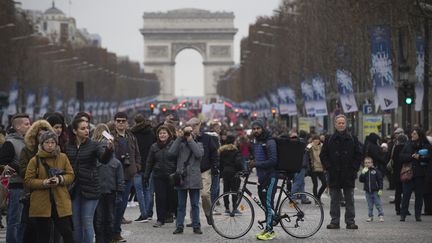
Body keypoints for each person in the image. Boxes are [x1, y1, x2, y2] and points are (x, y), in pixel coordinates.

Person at [65, 118, 113, 243]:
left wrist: (109, 149)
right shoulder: (68, 146)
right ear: (75, 131)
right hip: (73, 188)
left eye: (87, 128)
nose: (86, 130)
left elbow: (104, 159)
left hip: (91, 187)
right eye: (82, 128)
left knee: (87, 221)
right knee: (76, 222)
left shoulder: (93, 144)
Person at [24, 130, 75, 243]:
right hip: (41, 204)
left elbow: (71, 175)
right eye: (47, 142)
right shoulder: (34, 160)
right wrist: (44, 183)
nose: (50, 145)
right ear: (42, 144)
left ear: (56, 144)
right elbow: (28, 181)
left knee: (67, 233)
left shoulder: (63, 157)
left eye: (53, 142)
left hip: (60, 202)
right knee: (43, 236)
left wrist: (60, 179)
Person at [320, 114, 363, 230]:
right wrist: (329, 167)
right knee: (334, 199)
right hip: (334, 174)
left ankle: (350, 221)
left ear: (346, 124)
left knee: (349, 199)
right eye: (339, 123)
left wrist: (354, 168)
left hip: (348, 174)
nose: (341, 125)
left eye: (343, 123)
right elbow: (323, 155)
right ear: (335, 124)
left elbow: (359, 155)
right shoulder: (329, 139)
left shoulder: (353, 138)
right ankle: (335, 221)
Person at [18, 120, 54, 243]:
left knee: (47, 228)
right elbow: (23, 171)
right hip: (32, 193)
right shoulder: (27, 150)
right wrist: (37, 170)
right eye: (39, 135)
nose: (42, 137)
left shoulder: (53, 151)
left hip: (49, 193)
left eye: (45, 134)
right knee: (30, 226)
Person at [0, 113, 31, 243]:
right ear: (18, 127)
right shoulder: (10, 143)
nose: (30, 126)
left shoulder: (27, 142)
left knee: (23, 221)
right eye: (26, 124)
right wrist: (21, 168)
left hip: (27, 186)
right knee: (15, 220)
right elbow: (3, 162)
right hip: (16, 186)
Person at [92, 124, 124, 243]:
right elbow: (120, 179)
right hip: (111, 191)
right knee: (110, 218)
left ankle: (99, 239)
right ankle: (109, 239)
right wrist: (120, 193)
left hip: (98, 191)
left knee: (98, 219)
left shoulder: (94, 156)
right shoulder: (115, 162)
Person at [169, 124, 204, 235]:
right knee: (181, 205)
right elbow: (171, 153)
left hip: (194, 178)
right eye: (187, 132)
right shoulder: (179, 145)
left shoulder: (199, 144)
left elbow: (198, 154)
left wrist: (190, 140)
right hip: (181, 178)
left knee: (195, 204)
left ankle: (196, 225)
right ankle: (179, 226)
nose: (188, 134)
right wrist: (179, 137)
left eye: (190, 132)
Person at [111, 112, 141, 242]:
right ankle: (113, 232)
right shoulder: (110, 136)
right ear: (114, 122)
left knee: (122, 205)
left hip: (129, 174)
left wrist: (137, 167)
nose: (121, 123)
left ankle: (116, 232)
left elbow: (137, 153)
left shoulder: (131, 136)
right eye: (118, 121)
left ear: (127, 122)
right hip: (114, 176)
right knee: (114, 206)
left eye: (123, 121)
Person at [247, 119, 278, 241]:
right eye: (254, 129)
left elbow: (273, 161)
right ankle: (268, 227)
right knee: (265, 205)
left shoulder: (270, 142)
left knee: (268, 204)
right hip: (262, 177)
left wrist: (256, 164)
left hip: (271, 176)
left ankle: (270, 231)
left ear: (263, 128)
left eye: (258, 128)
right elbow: (257, 158)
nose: (256, 131)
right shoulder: (257, 142)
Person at [185, 118, 218, 226]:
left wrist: (215, 167)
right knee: (193, 196)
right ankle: (194, 219)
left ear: (199, 125)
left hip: (205, 170)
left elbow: (214, 153)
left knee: (204, 194)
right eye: (190, 125)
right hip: (192, 171)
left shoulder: (207, 138)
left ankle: (208, 214)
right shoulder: (186, 138)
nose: (193, 127)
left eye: (195, 125)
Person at [144, 125, 177, 228]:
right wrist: (146, 175)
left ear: (168, 134)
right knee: (160, 198)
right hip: (158, 175)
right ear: (158, 135)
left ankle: (175, 215)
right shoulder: (154, 147)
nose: (162, 135)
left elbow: (178, 159)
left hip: (172, 175)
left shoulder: (174, 145)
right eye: (160, 133)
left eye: (164, 133)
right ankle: (160, 219)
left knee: (173, 198)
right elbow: (149, 162)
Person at [399, 128, 431, 222]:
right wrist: (411, 156)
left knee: (419, 196)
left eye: (414, 134)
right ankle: (403, 214)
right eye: (412, 133)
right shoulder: (407, 144)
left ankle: (418, 215)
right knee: (406, 196)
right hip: (408, 174)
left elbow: (429, 157)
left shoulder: (425, 145)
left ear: (419, 135)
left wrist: (420, 157)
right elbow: (401, 157)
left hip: (420, 175)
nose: (412, 135)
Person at [131, 113, 155, 222]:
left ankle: (143, 213)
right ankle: (149, 212)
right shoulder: (151, 132)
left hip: (137, 164)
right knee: (148, 190)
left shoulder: (133, 133)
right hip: (149, 164)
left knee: (139, 190)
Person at [218, 135, 243, 213]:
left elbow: (220, 164)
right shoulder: (236, 151)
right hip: (234, 172)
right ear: (233, 142)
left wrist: (221, 174)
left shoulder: (222, 151)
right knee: (234, 191)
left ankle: (227, 208)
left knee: (226, 190)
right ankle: (234, 208)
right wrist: (241, 170)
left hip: (225, 172)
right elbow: (238, 163)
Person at [359, 156, 384, 222]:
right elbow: (361, 180)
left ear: (372, 163)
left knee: (378, 203)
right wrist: (362, 174)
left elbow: (380, 180)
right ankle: (370, 216)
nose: (367, 164)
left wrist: (380, 189)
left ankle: (381, 215)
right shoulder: (365, 171)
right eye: (366, 163)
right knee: (370, 205)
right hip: (367, 191)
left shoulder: (376, 171)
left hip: (375, 191)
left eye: (369, 162)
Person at [391, 134, 409, 215]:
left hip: (397, 173)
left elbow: (393, 160)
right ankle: (405, 209)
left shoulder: (395, 148)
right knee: (405, 192)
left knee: (398, 192)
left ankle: (397, 209)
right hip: (405, 172)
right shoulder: (407, 148)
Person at [306, 135, 327, 203]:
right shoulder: (309, 146)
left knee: (325, 184)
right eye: (315, 139)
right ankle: (316, 200)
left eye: (317, 139)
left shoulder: (322, 146)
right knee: (315, 184)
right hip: (313, 168)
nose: (316, 141)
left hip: (321, 167)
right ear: (312, 140)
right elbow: (305, 154)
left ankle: (318, 196)